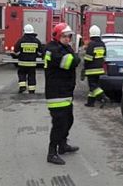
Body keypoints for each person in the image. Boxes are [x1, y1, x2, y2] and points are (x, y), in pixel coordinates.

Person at [44, 23, 81, 165]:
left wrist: (74, 56)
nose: (67, 39)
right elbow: (71, 62)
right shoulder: (53, 49)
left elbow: (74, 59)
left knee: (69, 120)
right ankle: (51, 152)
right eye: (64, 36)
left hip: (65, 92)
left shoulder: (63, 48)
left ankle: (62, 145)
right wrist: (75, 57)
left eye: (69, 36)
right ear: (58, 36)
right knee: (59, 124)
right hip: (56, 92)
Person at [13, 24, 42, 94]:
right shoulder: (37, 41)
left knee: (22, 74)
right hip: (32, 64)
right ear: (32, 31)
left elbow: (16, 51)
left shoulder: (20, 40)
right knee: (31, 76)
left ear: (24, 31)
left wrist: (19, 55)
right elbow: (40, 53)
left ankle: (22, 87)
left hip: (22, 63)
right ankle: (31, 90)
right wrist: (35, 55)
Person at [83, 25, 108, 107]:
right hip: (99, 69)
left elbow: (88, 58)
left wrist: (84, 68)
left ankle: (103, 97)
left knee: (93, 86)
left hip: (91, 69)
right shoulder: (102, 44)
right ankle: (90, 102)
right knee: (94, 86)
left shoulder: (91, 44)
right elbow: (104, 55)